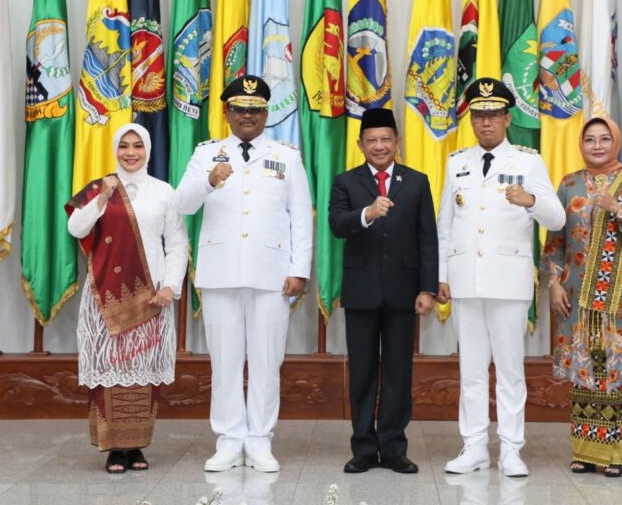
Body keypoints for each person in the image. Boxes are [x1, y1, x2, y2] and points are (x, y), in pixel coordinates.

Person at [174, 75, 313, 474]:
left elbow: (300, 217)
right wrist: (208, 181)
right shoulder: (207, 153)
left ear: (266, 113)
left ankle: (260, 439)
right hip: (220, 274)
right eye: (240, 108)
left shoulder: (286, 155)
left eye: (255, 109)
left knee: (267, 360)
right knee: (226, 360)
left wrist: (299, 270)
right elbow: (182, 204)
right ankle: (229, 438)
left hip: (272, 274)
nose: (247, 115)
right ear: (226, 112)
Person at [436, 78, 565, 477]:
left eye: (492, 114)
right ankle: (473, 445)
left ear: (508, 118)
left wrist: (532, 201)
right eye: (478, 115)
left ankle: (511, 448)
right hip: (465, 280)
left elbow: (557, 218)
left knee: (510, 369)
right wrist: (442, 275)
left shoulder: (527, 162)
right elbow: (446, 224)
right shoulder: (457, 162)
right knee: (471, 369)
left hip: (508, 281)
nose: (485, 122)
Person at [65, 123, 188, 474]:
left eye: (137, 146)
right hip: (106, 294)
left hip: (151, 296)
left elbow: (178, 244)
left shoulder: (164, 192)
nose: (130, 153)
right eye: (124, 146)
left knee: (142, 373)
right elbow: (76, 229)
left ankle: (136, 446)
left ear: (147, 150)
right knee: (109, 369)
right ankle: (113, 449)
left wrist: (171, 287)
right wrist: (102, 199)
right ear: (116, 150)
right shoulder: (99, 188)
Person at [542, 116, 622, 478]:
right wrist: (553, 283)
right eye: (590, 138)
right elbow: (555, 241)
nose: (596, 145)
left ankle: (615, 455)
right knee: (585, 372)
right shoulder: (570, 183)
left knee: (617, 371)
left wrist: (618, 209)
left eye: (604, 138)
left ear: (616, 142)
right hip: (576, 294)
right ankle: (585, 452)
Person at [328, 108, 438, 475]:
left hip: (404, 294)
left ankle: (393, 448)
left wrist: (427, 288)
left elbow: (428, 239)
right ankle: (362, 447)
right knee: (361, 372)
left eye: (385, 139)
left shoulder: (417, 182)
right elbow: (337, 224)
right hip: (360, 293)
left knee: (397, 373)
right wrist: (368, 213)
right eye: (371, 140)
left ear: (398, 143)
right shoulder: (346, 182)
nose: (379, 146)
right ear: (361, 145)